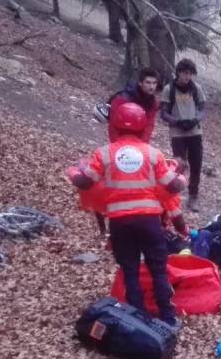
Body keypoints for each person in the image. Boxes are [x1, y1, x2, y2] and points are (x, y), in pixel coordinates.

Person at [68, 102, 183, 327]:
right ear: (143, 127)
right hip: (149, 220)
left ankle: (137, 319)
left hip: (120, 221)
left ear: (115, 126)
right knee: (158, 269)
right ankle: (168, 318)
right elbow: (172, 187)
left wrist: (72, 173)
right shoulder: (153, 154)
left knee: (130, 269)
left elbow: (85, 182)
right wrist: (182, 180)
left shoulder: (104, 154)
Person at [159, 58, 206, 212]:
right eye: (185, 73)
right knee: (178, 165)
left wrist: (195, 120)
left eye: (190, 74)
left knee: (196, 164)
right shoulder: (169, 89)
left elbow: (203, 109)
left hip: (194, 132)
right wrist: (177, 121)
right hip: (177, 133)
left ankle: (193, 196)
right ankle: (176, 194)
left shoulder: (196, 88)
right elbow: (164, 113)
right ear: (178, 72)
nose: (188, 76)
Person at [108, 68, 162, 143]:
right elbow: (113, 125)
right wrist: (116, 144)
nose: (151, 87)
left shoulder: (153, 103)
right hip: (120, 137)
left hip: (138, 140)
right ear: (140, 83)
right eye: (148, 83)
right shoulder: (122, 99)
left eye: (154, 83)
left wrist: (142, 145)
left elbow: (149, 126)